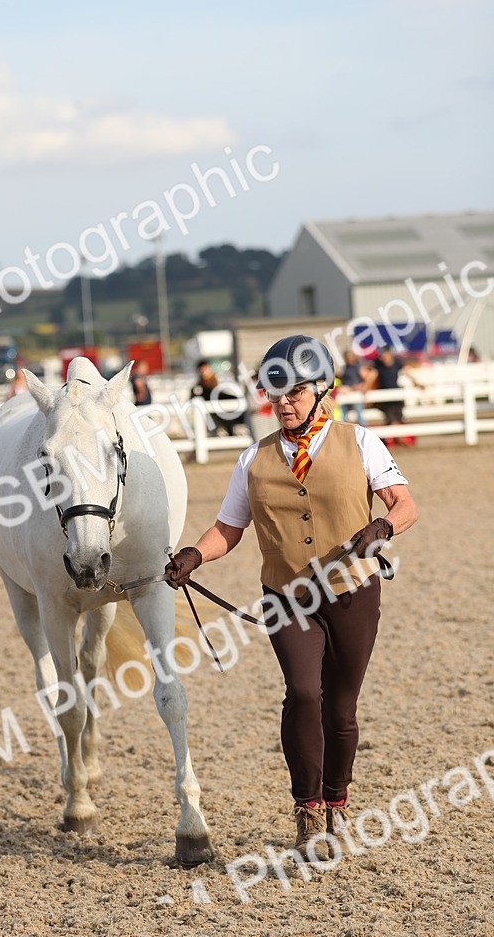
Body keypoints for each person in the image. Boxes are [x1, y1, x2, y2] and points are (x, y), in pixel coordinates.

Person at [165, 335, 418, 856]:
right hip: (287, 596)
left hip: (352, 592)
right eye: (274, 393)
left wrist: (383, 528)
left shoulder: (361, 442)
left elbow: (404, 504)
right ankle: (308, 809)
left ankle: (337, 799)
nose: (282, 403)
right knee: (304, 693)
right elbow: (229, 529)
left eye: (294, 393)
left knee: (341, 708)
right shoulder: (252, 460)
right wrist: (195, 553)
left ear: (322, 391)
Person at [371, 347, 414, 447]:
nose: (383, 358)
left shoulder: (397, 363)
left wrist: (417, 383)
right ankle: (399, 440)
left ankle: (398, 440)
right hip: (385, 399)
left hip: (396, 397)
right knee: (392, 419)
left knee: (398, 419)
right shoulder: (378, 365)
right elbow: (371, 376)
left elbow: (407, 372)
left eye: (384, 355)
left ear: (389, 354)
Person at [190, 360, 247, 436]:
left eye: (205, 369)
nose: (204, 372)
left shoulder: (218, 381)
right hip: (215, 411)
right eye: (202, 370)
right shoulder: (199, 387)